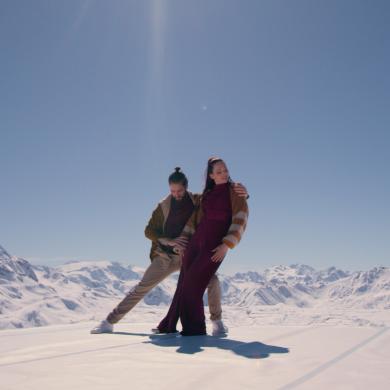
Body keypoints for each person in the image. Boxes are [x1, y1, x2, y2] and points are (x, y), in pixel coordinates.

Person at [91, 167, 248, 335]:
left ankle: (217, 322)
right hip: (165, 256)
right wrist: (169, 241)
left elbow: (219, 200)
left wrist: (244, 195)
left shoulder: (197, 200)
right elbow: (149, 231)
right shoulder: (163, 207)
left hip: (189, 256)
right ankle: (109, 322)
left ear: (186, 187)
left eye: (179, 190)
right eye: (172, 191)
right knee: (142, 287)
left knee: (213, 281)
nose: (176, 194)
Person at [157, 157, 249, 336]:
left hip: (214, 246)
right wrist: (183, 243)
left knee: (193, 285)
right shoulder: (206, 195)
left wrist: (226, 245)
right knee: (183, 284)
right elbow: (194, 221)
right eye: (219, 171)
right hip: (195, 244)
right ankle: (169, 325)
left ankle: (195, 330)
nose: (223, 174)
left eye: (225, 170)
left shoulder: (235, 191)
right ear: (211, 175)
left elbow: (241, 218)